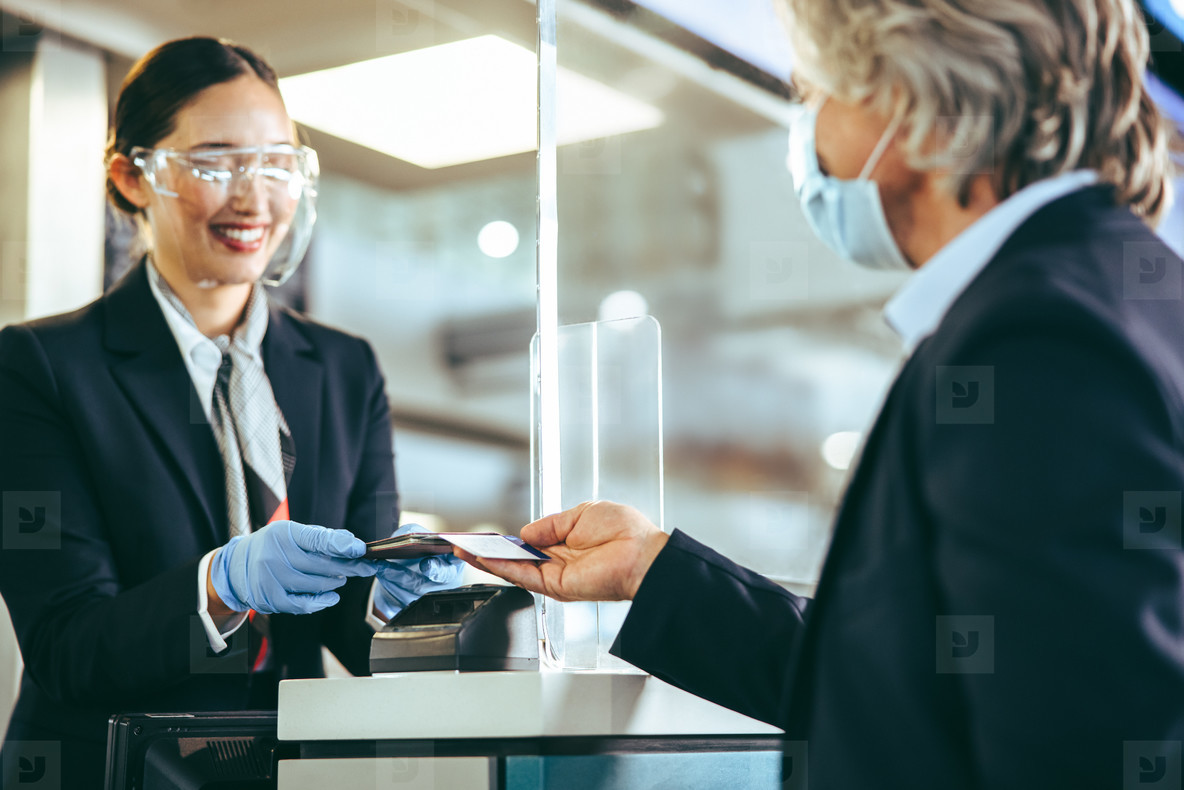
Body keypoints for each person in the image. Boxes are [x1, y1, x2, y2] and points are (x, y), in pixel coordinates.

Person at [461, 0, 1184, 787]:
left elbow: (1080, 748)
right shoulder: (1122, 294)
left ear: (908, 103)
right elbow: (926, 678)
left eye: (818, 92)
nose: (805, 126)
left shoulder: (1037, 340)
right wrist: (655, 570)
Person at [0, 37, 462, 787]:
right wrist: (220, 585)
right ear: (131, 176)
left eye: (277, 164)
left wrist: (398, 599)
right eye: (215, 164)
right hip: (107, 770)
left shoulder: (344, 370)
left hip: (290, 769)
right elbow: (66, 648)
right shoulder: (42, 368)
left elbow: (349, 630)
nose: (254, 199)